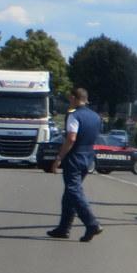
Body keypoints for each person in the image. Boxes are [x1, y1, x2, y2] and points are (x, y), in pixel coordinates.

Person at [45, 86, 103, 243]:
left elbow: (71, 138)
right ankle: (64, 228)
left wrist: (58, 158)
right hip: (88, 156)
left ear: (74, 98)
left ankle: (91, 223)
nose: (68, 101)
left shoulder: (74, 116)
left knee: (73, 190)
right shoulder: (96, 117)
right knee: (70, 194)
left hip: (74, 157)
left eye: (70, 98)